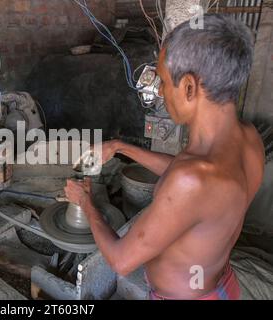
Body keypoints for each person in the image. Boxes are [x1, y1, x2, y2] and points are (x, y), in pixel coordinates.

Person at [65, 14, 265, 300]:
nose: (159, 91)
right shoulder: (248, 138)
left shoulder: (192, 179)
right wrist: (121, 147)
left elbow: (121, 260)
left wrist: (84, 200)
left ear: (188, 87)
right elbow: (197, 181)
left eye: (162, 80)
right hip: (222, 287)